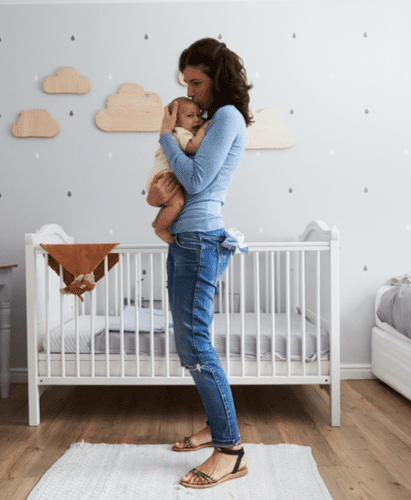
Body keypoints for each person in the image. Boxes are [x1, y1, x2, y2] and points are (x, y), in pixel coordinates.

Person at [146, 37, 253, 489]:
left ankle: (229, 449)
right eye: (185, 83)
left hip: (200, 239)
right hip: (186, 239)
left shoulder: (226, 117)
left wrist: (166, 136)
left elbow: (193, 177)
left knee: (196, 346)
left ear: (217, 78)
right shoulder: (210, 119)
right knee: (189, 342)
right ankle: (215, 424)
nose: (190, 92)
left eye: (197, 82)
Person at [146, 97, 209, 244]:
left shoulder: (180, 132)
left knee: (172, 203)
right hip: (164, 177)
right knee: (178, 203)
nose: (197, 120)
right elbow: (193, 146)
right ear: (176, 121)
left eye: (199, 116)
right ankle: (160, 229)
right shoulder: (180, 132)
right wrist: (205, 128)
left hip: (162, 175)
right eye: (190, 116)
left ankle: (157, 222)